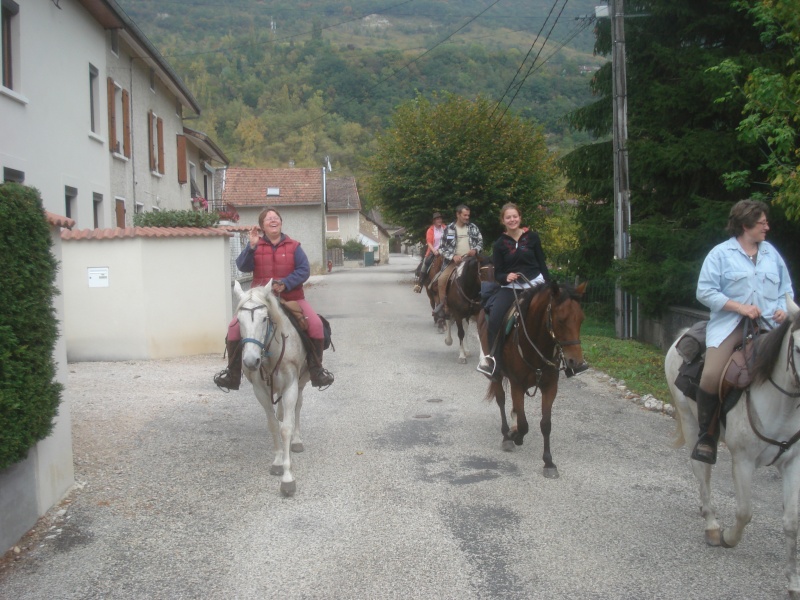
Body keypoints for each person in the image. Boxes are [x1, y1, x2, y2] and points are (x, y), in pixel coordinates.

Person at [692, 199, 793, 464]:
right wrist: (739, 307)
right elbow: (704, 291)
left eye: (766, 223)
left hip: (771, 327)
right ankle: (707, 436)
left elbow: (787, 289)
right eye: (762, 223)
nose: (767, 227)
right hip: (731, 325)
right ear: (746, 224)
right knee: (711, 376)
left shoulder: (772, 254)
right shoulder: (720, 254)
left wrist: (783, 308)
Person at [213, 207, 334, 391]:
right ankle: (232, 374)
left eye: (276, 217)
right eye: (268, 219)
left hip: (292, 297)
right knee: (233, 329)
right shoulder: (256, 246)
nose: (273, 220)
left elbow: (304, 270)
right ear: (262, 226)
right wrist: (251, 247)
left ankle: (316, 371)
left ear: (281, 222)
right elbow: (242, 266)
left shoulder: (294, 246)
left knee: (316, 325)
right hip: (261, 300)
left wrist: (286, 283)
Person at [476, 203, 549, 377]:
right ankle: (494, 360)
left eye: (515, 216)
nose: (512, 220)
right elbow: (498, 271)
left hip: (535, 283)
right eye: (508, 217)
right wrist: (505, 277)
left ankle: (564, 358)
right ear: (503, 220)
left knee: (558, 312)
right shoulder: (500, 244)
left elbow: (541, 263)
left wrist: (549, 285)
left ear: (520, 218)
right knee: (494, 317)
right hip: (511, 287)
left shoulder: (533, 238)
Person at [433, 204, 484, 319]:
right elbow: (441, 248)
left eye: (468, 215)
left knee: (484, 277)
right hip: (454, 263)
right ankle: (444, 307)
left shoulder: (473, 227)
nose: (467, 217)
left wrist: (475, 250)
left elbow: (480, 242)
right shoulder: (449, 229)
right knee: (441, 279)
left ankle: (482, 305)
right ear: (458, 214)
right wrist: (452, 256)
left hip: (471, 261)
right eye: (465, 215)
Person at [413, 212, 446, 293]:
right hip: (433, 251)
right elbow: (429, 242)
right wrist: (434, 250)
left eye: (440, 218)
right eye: (437, 219)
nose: (439, 220)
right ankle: (420, 284)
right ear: (434, 221)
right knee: (426, 263)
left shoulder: (445, 228)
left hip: (445, 251)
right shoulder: (430, 230)